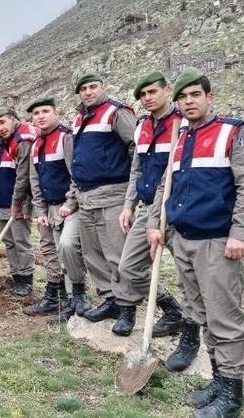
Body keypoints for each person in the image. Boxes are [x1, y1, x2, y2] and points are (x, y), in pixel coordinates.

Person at [147, 68, 244, 418]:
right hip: (183, 240)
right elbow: (165, 185)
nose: (188, 101)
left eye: (195, 95)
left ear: (209, 97)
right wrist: (154, 224)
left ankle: (231, 397)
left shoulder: (233, 131)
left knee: (224, 319)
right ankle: (217, 380)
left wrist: (241, 233)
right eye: (182, 97)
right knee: (200, 314)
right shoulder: (181, 138)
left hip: (218, 242)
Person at [111, 72, 185, 337]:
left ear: (168, 90)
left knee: (190, 277)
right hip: (148, 205)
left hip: (179, 207)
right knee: (128, 266)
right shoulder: (142, 125)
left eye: (153, 92)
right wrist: (128, 205)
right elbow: (136, 170)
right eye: (143, 95)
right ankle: (173, 309)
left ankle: (196, 329)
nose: (147, 98)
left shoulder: (183, 122)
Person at [70, 74, 137, 322]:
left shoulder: (116, 112)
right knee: (93, 253)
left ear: (103, 87)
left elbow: (136, 146)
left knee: (116, 252)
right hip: (85, 195)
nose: (88, 92)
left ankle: (127, 305)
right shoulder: (80, 118)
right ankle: (110, 298)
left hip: (113, 193)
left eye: (92, 87)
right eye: (83, 89)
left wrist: (131, 184)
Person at [21, 96, 91, 319]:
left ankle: (75, 298)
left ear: (55, 113)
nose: (40, 116)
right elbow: (35, 181)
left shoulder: (66, 137)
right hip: (47, 209)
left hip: (67, 207)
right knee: (49, 251)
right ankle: (54, 296)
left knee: (67, 249)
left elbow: (77, 173)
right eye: (36, 113)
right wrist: (40, 211)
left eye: (45, 111)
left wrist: (70, 203)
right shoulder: (36, 144)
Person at [0, 107, 37, 296]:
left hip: (17, 202)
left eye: (2, 122)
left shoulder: (22, 142)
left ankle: (26, 278)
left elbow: (23, 177)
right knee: (9, 242)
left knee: (21, 241)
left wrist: (18, 203)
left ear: (13, 119)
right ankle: (16, 276)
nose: (0, 127)